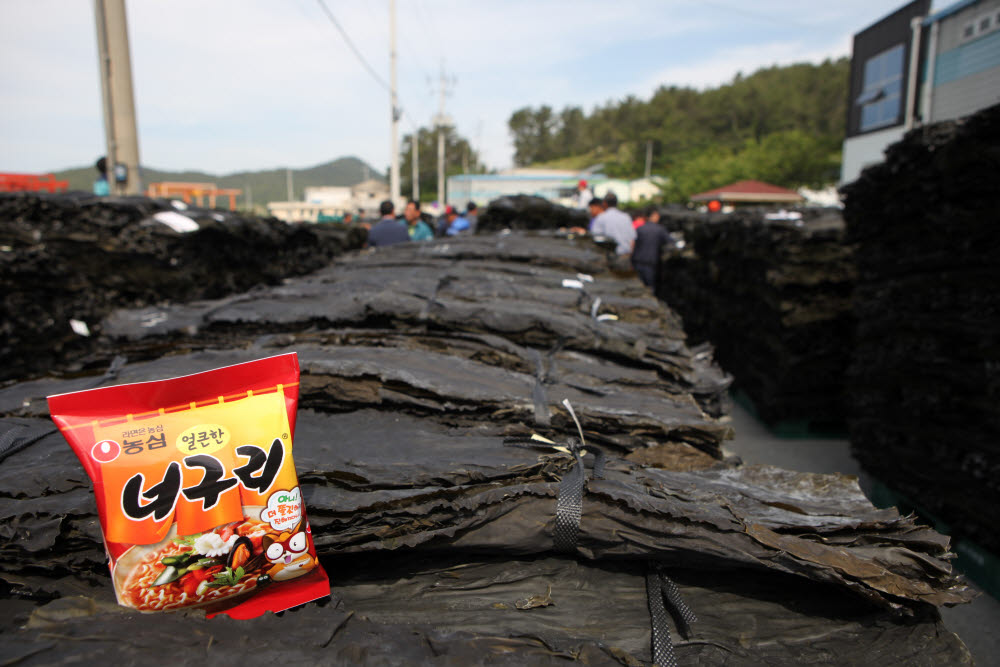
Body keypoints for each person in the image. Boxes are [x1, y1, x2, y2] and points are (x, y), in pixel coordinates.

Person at [631, 207, 672, 288]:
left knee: (637, 286)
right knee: (650, 287)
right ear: (655, 215)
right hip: (651, 263)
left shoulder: (639, 229)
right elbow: (670, 243)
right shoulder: (660, 230)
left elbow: (632, 244)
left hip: (637, 262)